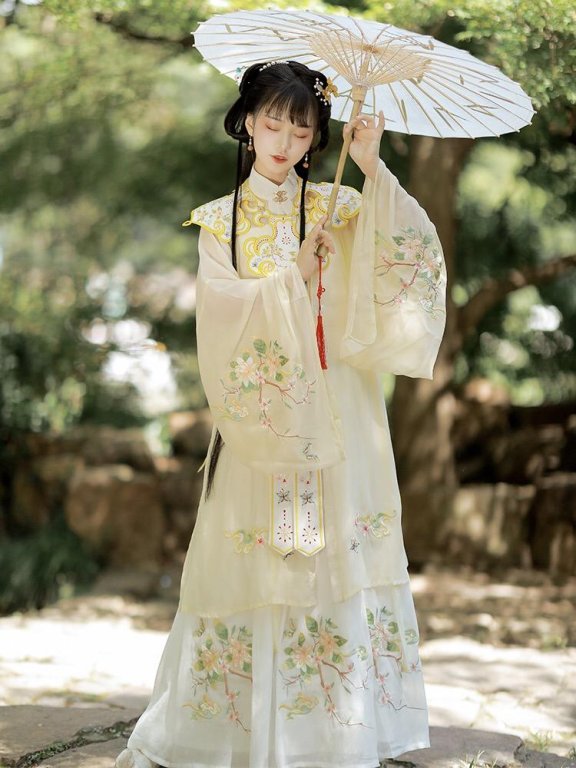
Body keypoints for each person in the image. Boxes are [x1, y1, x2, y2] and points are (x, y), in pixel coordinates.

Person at [116, 59, 446, 768]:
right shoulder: (220, 222)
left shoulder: (342, 207)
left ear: (314, 136)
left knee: (332, 553)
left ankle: (331, 733)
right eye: (273, 119)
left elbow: (403, 260)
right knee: (258, 555)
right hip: (262, 416)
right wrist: (291, 279)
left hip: (339, 407)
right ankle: (244, 734)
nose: (285, 137)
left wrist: (370, 166)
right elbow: (223, 317)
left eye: (302, 126)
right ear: (246, 120)